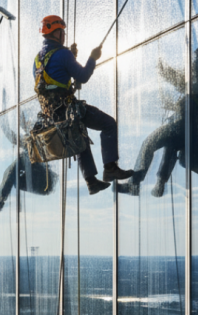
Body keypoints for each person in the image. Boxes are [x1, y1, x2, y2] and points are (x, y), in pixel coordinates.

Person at [33, 15, 133, 195]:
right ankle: (110, 167)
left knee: (79, 138)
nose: (64, 35)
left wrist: (71, 57)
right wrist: (93, 58)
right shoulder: (63, 54)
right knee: (108, 124)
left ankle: (91, 182)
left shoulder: (38, 59)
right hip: (67, 108)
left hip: (51, 114)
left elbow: (55, 77)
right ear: (56, 33)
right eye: (62, 32)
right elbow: (83, 76)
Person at [118, 43, 198, 197]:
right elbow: (183, 83)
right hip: (189, 127)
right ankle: (160, 184)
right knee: (171, 147)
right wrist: (165, 72)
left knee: (149, 144)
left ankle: (135, 183)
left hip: (185, 125)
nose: (195, 59)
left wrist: (185, 97)